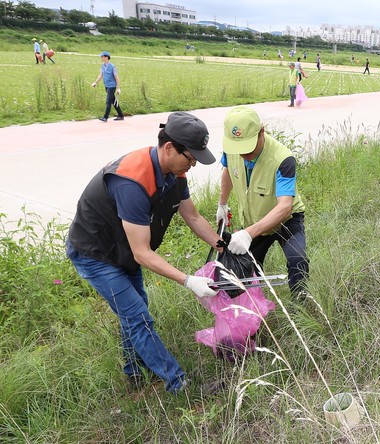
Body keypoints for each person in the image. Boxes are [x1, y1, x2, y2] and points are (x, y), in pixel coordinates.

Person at [66, 112, 222, 394]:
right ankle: (179, 384)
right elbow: (142, 253)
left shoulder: (174, 173)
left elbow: (193, 216)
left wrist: (221, 244)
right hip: (96, 254)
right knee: (138, 317)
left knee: (136, 306)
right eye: (191, 157)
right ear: (169, 148)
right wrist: (189, 281)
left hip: (122, 248)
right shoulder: (131, 181)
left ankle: (133, 372)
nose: (194, 164)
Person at [217, 106, 309, 295]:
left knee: (297, 259)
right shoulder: (231, 149)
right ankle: (253, 311)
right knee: (246, 268)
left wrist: (247, 234)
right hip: (253, 220)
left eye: (247, 147)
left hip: (286, 221)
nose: (243, 153)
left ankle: (300, 303)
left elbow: (285, 206)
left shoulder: (282, 159)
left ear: (261, 132)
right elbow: (227, 171)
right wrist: (222, 203)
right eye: (238, 148)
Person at [92, 51, 125, 122]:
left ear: (106, 57)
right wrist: (95, 82)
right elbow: (101, 75)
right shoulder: (103, 65)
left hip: (112, 86)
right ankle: (121, 115)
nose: (101, 58)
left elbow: (117, 78)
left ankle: (105, 117)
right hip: (106, 86)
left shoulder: (112, 67)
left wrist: (118, 88)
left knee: (108, 102)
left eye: (102, 56)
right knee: (113, 101)